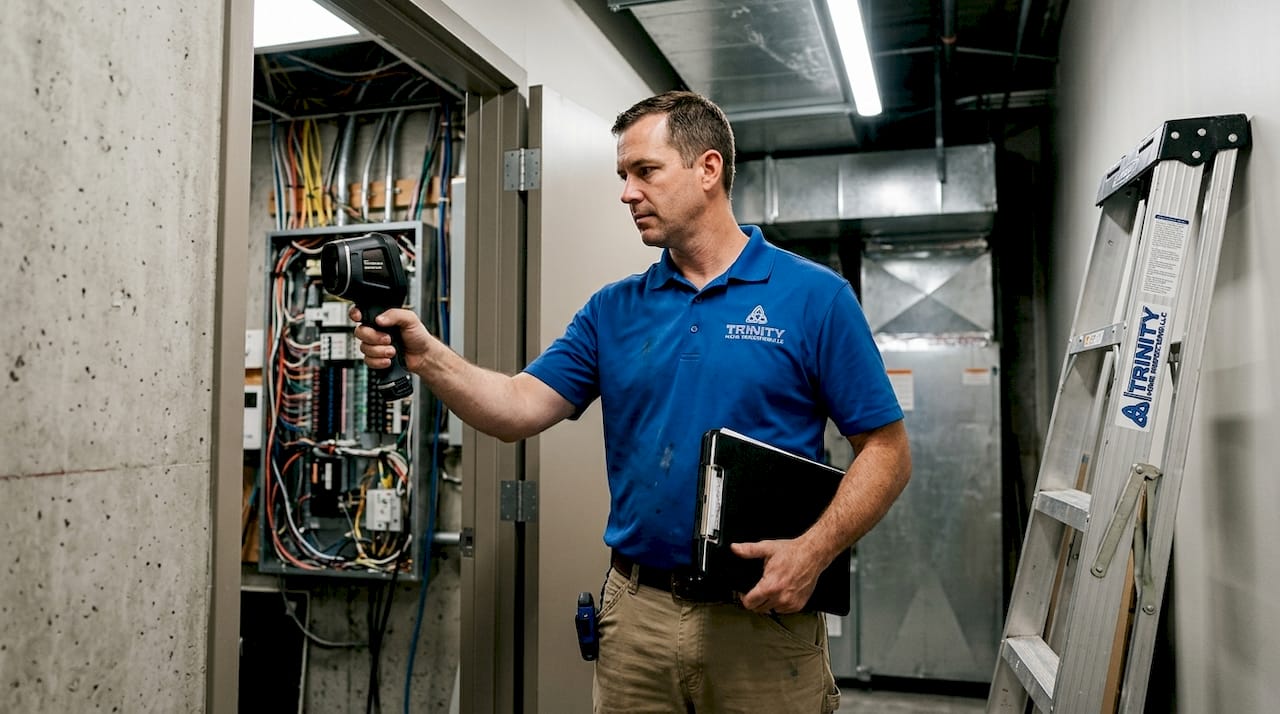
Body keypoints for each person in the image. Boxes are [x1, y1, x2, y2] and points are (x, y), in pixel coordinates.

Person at [354, 90, 911, 713]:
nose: (627, 193)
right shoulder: (612, 310)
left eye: (645, 171)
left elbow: (887, 451)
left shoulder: (814, 298)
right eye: (623, 175)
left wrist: (814, 552)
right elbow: (515, 407)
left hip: (764, 621)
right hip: (637, 617)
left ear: (708, 169)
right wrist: (426, 355)